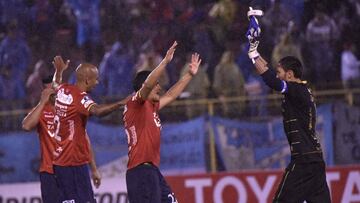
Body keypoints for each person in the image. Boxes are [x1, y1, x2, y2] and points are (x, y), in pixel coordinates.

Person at [246, 9, 331, 203]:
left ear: (290, 74)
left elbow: (272, 82)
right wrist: (254, 50)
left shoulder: (295, 89)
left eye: (280, 72)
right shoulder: (301, 90)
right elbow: (268, 71)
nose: (277, 75)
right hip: (315, 161)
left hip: (303, 161)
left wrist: (252, 54)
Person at [123, 41, 201, 203]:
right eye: (156, 85)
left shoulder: (151, 107)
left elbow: (171, 95)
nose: (159, 87)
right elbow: (148, 85)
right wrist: (165, 61)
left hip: (151, 170)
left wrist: (189, 75)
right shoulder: (135, 104)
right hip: (141, 172)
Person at [51, 55, 128, 202]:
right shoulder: (81, 99)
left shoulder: (63, 90)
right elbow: (98, 111)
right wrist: (120, 103)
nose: (97, 82)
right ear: (87, 80)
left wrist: (59, 71)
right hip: (74, 162)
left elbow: (55, 83)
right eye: (95, 78)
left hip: (60, 162)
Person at [21, 73, 101, 203]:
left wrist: (93, 169)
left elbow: (84, 139)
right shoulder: (41, 111)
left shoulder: (72, 107)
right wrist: (42, 102)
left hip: (72, 167)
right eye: (50, 92)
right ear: (44, 92)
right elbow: (26, 126)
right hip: (50, 172)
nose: (54, 94)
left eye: (55, 90)